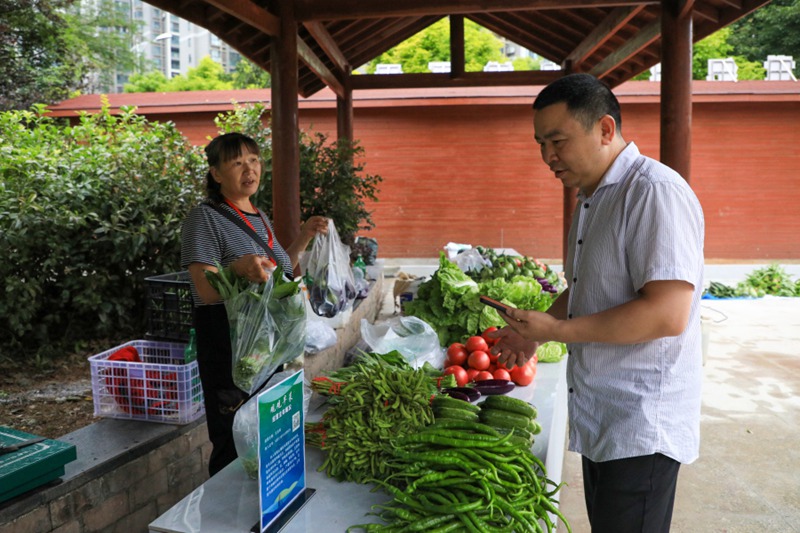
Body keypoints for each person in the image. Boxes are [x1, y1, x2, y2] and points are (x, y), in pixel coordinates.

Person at [490, 74, 704, 532]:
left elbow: (667, 313)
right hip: (604, 413)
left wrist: (558, 332)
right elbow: (587, 286)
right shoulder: (593, 197)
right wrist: (537, 332)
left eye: (558, 141)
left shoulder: (653, 192)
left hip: (640, 421)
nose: (548, 156)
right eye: (541, 144)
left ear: (605, 129)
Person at [181, 132, 327, 476]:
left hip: (266, 347)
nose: (249, 169)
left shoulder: (258, 216)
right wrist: (237, 269)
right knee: (233, 439)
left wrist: (304, 236)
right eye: (237, 162)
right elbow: (204, 291)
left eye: (254, 160)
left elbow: (278, 271)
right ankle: (225, 507)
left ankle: (261, 500)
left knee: (263, 433)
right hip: (231, 350)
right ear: (216, 173)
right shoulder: (204, 219)